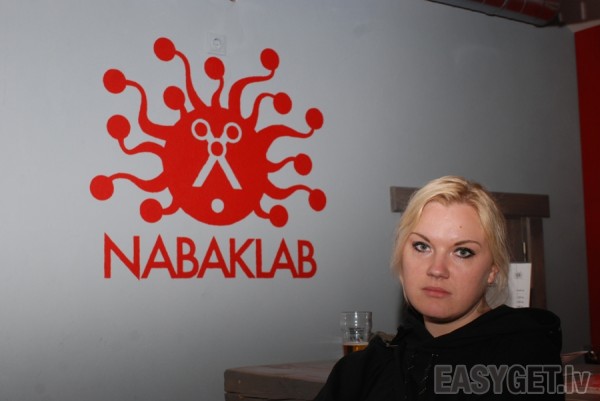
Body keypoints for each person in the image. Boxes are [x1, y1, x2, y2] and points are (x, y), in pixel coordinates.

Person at [314, 176, 564, 400]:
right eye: (422, 246)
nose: (437, 269)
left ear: (492, 270)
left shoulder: (524, 360)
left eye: (462, 252)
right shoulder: (362, 368)